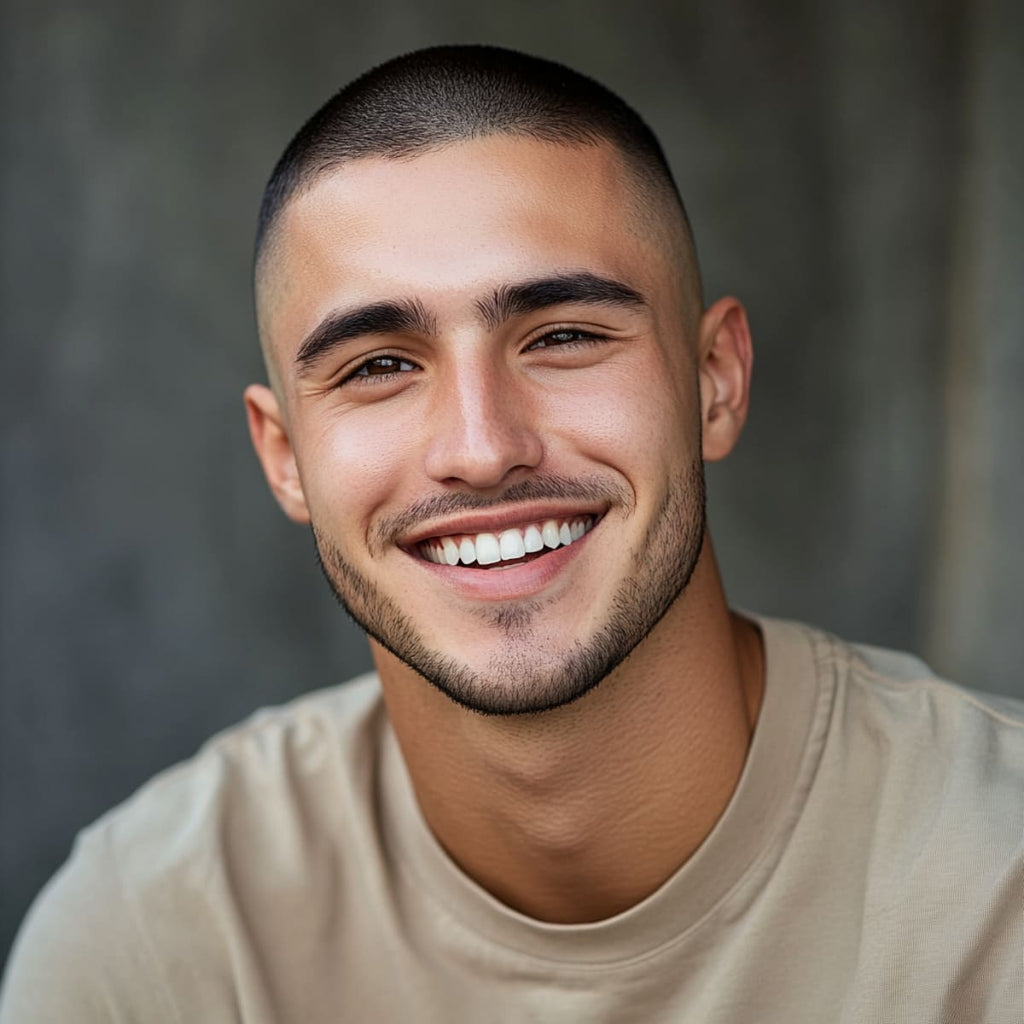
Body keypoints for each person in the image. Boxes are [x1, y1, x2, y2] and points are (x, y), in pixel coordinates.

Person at [2, 44, 1021, 1024]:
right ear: (283, 456)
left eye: (564, 335)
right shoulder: (152, 942)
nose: (482, 447)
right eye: (377, 365)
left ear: (715, 379)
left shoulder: (995, 890)